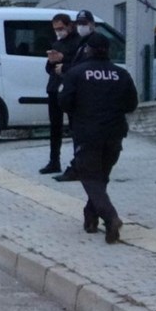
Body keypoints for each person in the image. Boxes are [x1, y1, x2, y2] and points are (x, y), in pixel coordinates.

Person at [59, 32, 138, 243]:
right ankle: (91, 217)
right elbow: (131, 104)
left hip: (87, 133)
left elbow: (64, 102)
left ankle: (111, 217)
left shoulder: (76, 73)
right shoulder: (122, 74)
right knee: (101, 177)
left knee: (90, 177)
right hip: (114, 134)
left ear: (88, 50)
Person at [55, 9, 97, 182]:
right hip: (79, 95)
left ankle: (81, 167)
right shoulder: (82, 42)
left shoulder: (93, 43)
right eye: (79, 23)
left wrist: (65, 68)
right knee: (78, 133)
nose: (81, 27)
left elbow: (84, 67)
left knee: (83, 134)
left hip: (86, 95)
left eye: (84, 23)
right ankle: (81, 165)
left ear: (92, 24)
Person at [40, 13, 80, 175]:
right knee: (54, 127)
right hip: (55, 88)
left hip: (71, 89)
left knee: (75, 127)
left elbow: (80, 65)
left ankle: (78, 161)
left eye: (61, 28)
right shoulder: (57, 43)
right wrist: (52, 62)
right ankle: (54, 161)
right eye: (56, 29)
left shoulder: (78, 43)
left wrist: (65, 61)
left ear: (69, 26)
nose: (58, 32)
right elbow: (48, 69)